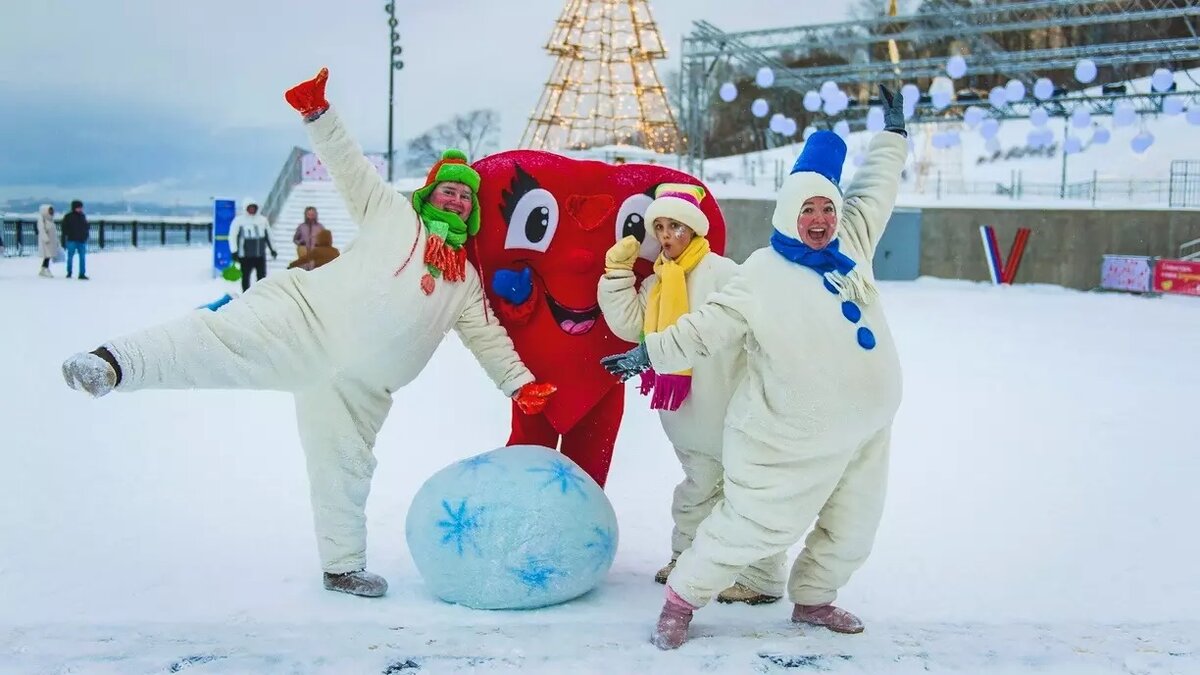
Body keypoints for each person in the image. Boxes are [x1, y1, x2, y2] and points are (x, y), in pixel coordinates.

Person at [60, 66, 557, 599]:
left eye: (465, 197)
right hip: (302, 320)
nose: (456, 200)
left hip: (358, 390)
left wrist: (518, 383)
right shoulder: (391, 214)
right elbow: (349, 167)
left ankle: (342, 568)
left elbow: (487, 337)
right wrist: (319, 114)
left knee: (344, 468)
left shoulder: (466, 281)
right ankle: (112, 364)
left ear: (473, 210)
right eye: (449, 192)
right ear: (429, 194)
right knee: (214, 339)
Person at [602, 85, 909, 649]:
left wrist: (893, 136)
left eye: (827, 208)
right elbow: (707, 326)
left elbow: (876, 189)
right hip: (789, 434)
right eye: (807, 209)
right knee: (753, 525)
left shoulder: (852, 244)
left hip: (867, 429)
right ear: (789, 214)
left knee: (854, 524)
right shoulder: (761, 273)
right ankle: (682, 600)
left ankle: (815, 599)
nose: (820, 219)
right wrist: (649, 353)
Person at [597, 183, 785, 605]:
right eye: (660, 227)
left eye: (675, 227)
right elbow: (631, 326)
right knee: (696, 492)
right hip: (686, 415)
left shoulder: (725, 273)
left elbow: (758, 328)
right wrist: (617, 274)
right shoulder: (658, 281)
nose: (666, 235)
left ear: (694, 230)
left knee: (748, 494)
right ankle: (687, 560)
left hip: (733, 410)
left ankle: (761, 578)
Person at [229, 198, 276, 291]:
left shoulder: (262, 220)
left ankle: (260, 294)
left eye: (253, 208)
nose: (252, 210)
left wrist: (273, 249)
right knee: (245, 277)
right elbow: (232, 236)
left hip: (259, 255)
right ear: (245, 208)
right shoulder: (238, 221)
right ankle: (246, 294)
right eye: (249, 208)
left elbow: (269, 236)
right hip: (245, 255)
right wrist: (234, 251)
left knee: (261, 277)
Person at [62, 200, 90, 280]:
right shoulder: (68, 216)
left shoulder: (82, 216)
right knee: (70, 257)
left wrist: (85, 235)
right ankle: (69, 272)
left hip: (81, 240)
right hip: (72, 239)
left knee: (82, 257)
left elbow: (86, 226)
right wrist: (68, 233)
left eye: (81, 207)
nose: (80, 209)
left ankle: (82, 273)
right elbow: (64, 227)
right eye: (79, 207)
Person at [36, 204, 61, 278]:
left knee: (48, 256)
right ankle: (45, 269)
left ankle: (44, 268)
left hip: (51, 241)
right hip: (46, 241)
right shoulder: (42, 219)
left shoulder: (50, 219)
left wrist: (57, 241)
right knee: (47, 255)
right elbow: (41, 229)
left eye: (51, 210)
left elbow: (53, 232)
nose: (51, 212)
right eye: (49, 210)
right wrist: (45, 238)